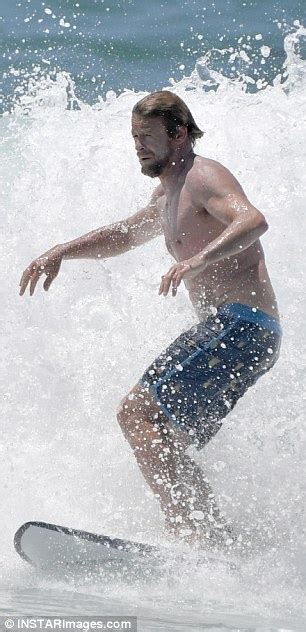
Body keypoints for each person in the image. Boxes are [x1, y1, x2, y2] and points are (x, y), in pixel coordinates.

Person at [19, 90, 282, 549]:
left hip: (242, 325)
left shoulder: (203, 176)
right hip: (241, 334)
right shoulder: (168, 192)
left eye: (147, 137)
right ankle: (217, 543)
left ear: (178, 134)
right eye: (134, 138)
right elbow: (124, 234)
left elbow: (253, 221)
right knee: (163, 435)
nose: (138, 146)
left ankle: (191, 537)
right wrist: (62, 251)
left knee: (137, 413)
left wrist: (196, 260)